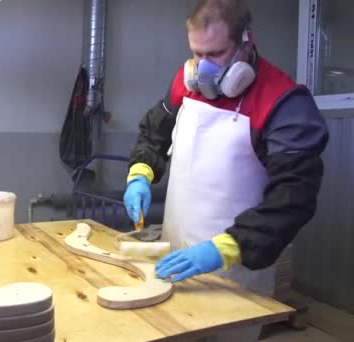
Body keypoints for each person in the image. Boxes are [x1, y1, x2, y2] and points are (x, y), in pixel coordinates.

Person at [123, 0, 329, 300]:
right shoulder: (186, 82)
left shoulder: (284, 102)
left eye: (216, 54)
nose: (202, 67)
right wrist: (140, 174)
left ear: (247, 42)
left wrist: (224, 249)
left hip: (236, 273)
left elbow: (293, 197)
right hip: (175, 261)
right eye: (197, 53)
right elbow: (154, 133)